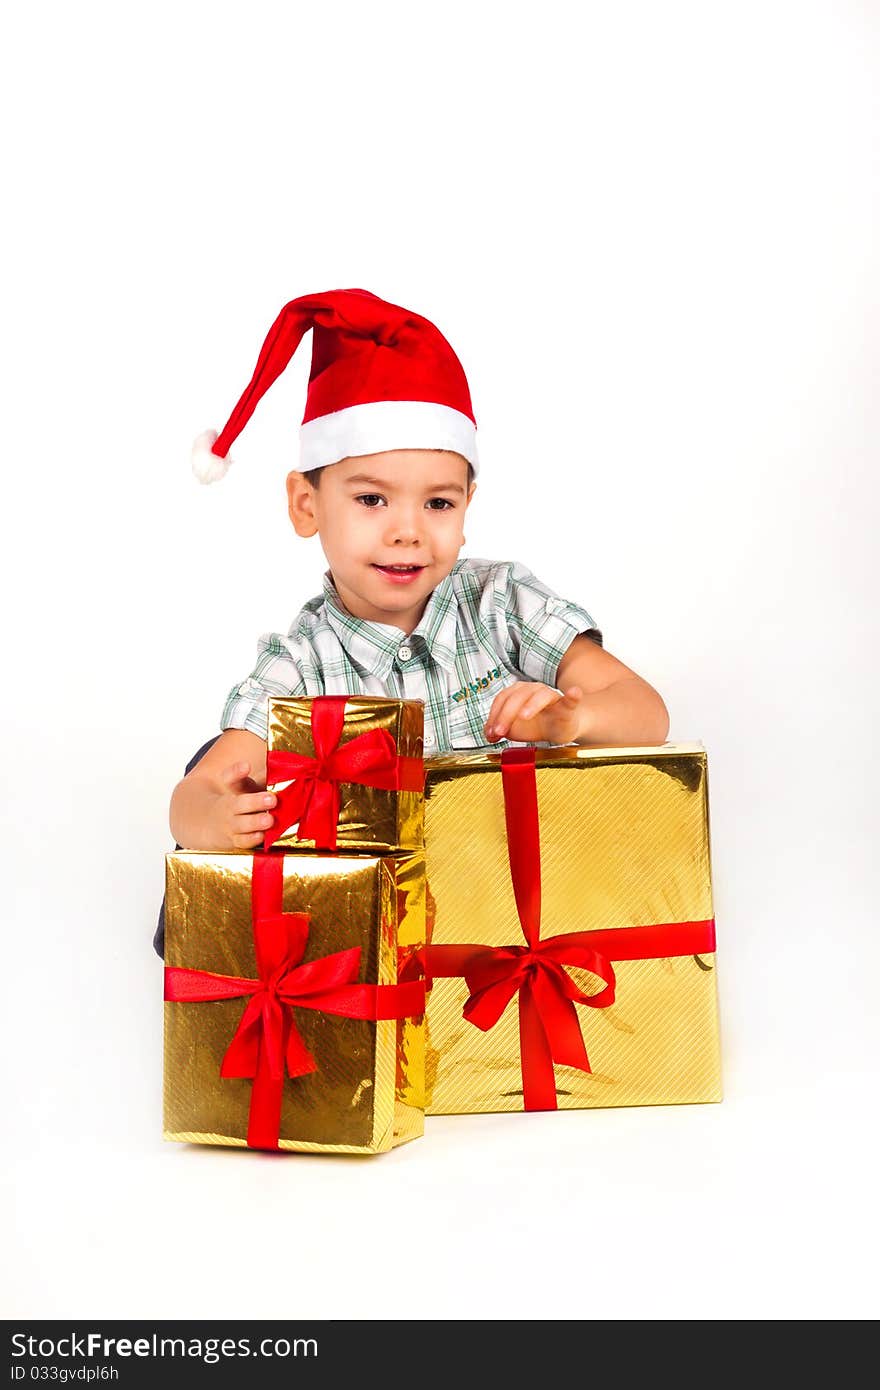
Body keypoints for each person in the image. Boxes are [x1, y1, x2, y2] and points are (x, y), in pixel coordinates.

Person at [156, 288, 668, 953]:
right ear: (306, 505)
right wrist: (214, 818)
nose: (408, 533)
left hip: (507, 918)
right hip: (378, 937)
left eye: (437, 503)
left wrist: (573, 720)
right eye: (371, 499)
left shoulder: (500, 603)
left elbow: (647, 714)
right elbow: (198, 789)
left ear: (467, 505)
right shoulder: (304, 660)